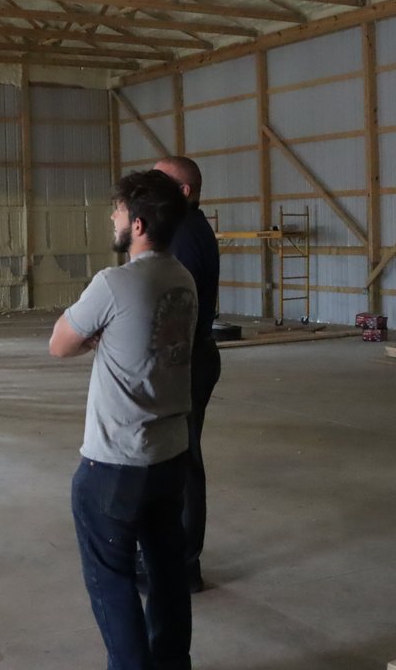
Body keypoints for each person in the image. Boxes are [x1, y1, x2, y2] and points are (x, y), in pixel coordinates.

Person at [50, 170, 196, 670]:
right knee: (167, 574)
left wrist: (97, 335)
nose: (110, 217)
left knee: (111, 581)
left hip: (115, 462)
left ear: (136, 224)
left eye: (115, 211)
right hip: (170, 453)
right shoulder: (182, 278)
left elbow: (59, 343)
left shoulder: (113, 283)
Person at [154, 156, 221, 593]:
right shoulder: (181, 230)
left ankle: (184, 565)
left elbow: (179, 311)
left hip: (188, 361)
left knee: (183, 461)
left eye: (161, 181)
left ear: (184, 192)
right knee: (175, 458)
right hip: (190, 358)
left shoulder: (185, 234)